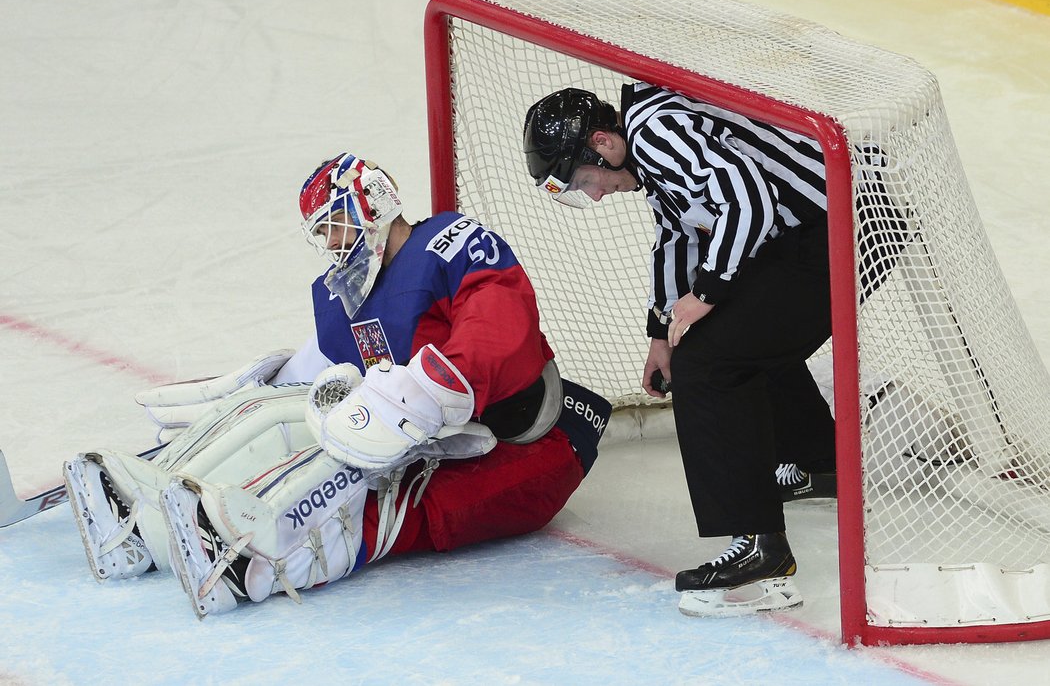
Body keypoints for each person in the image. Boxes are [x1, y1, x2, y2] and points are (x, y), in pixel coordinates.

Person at [64, 151, 610, 617]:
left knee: (369, 484)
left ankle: (247, 563)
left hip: (532, 446)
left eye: (334, 221)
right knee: (272, 415)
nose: (331, 241)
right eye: (321, 232)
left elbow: (499, 323)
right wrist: (250, 399)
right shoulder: (343, 292)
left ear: (372, 199)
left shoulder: (448, 241)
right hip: (448, 440)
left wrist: (428, 389)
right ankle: (146, 511)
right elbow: (314, 377)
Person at [522, 85, 838, 617]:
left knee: (709, 363)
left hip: (844, 226)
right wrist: (660, 333)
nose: (594, 194)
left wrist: (707, 293)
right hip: (826, 225)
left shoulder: (656, 131)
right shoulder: (648, 147)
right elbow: (679, 235)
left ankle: (761, 548)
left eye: (584, 179)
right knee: (734, 339)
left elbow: (748, 200)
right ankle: (819, 464)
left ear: (604, 142)